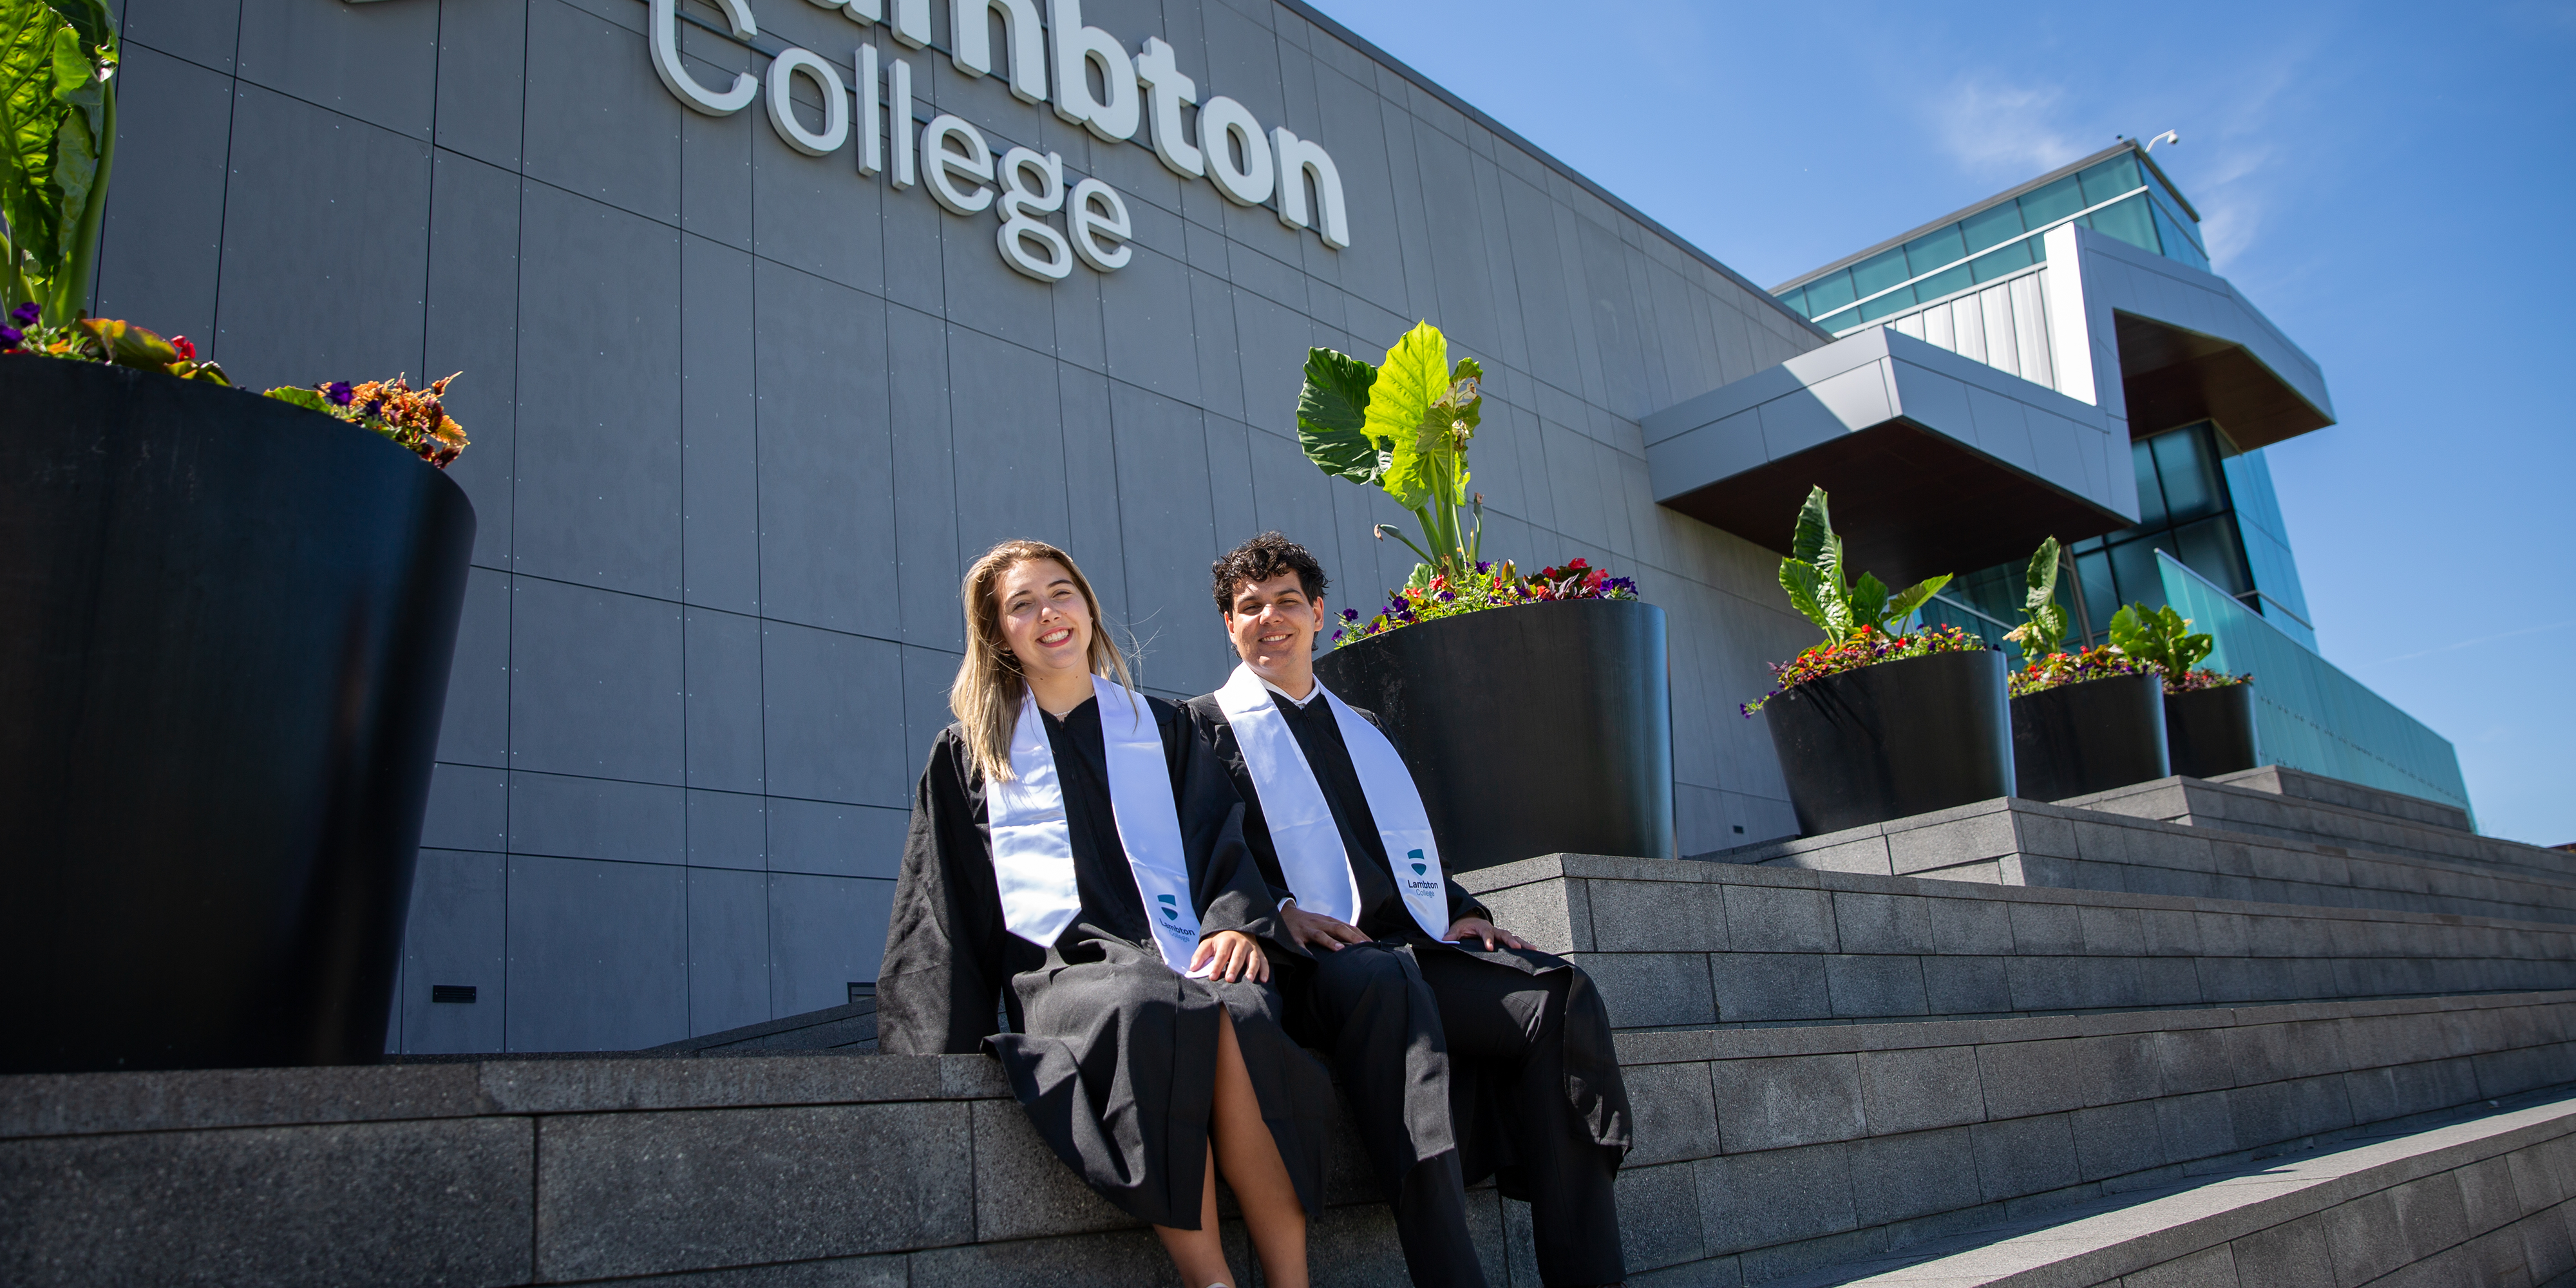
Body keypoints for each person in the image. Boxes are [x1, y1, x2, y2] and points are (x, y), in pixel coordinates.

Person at [1182, 533, 1632, 1288]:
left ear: (1317, 612)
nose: (1270, 618)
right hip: (1316, 967)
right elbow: (1201, 851)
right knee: (1386, 986)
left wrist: (1459, 908)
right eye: (1249, 606)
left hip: (1409, 948)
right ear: (1229, 624)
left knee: (1556, 997)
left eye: (1286, 601)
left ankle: (1588, 1275)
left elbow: (1405, 841)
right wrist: (1277, 910)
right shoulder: (1202, 725)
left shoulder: (1362, 724)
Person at [879, 539, 1332, 1288]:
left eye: (1062, 593)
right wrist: (935, 1049)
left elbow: (1219, 837)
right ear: (998, 634)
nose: (1048, 613)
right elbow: (942, 901)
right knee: (1146, 1003)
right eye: (1021, 605)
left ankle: (1293, 1282)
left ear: (1088, 608)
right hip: (1066, 971)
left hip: (1178, 945)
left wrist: (1230, 921)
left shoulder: (1161, 727)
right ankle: (1210, 1280)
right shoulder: (971, 753)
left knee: (1241, 1011)